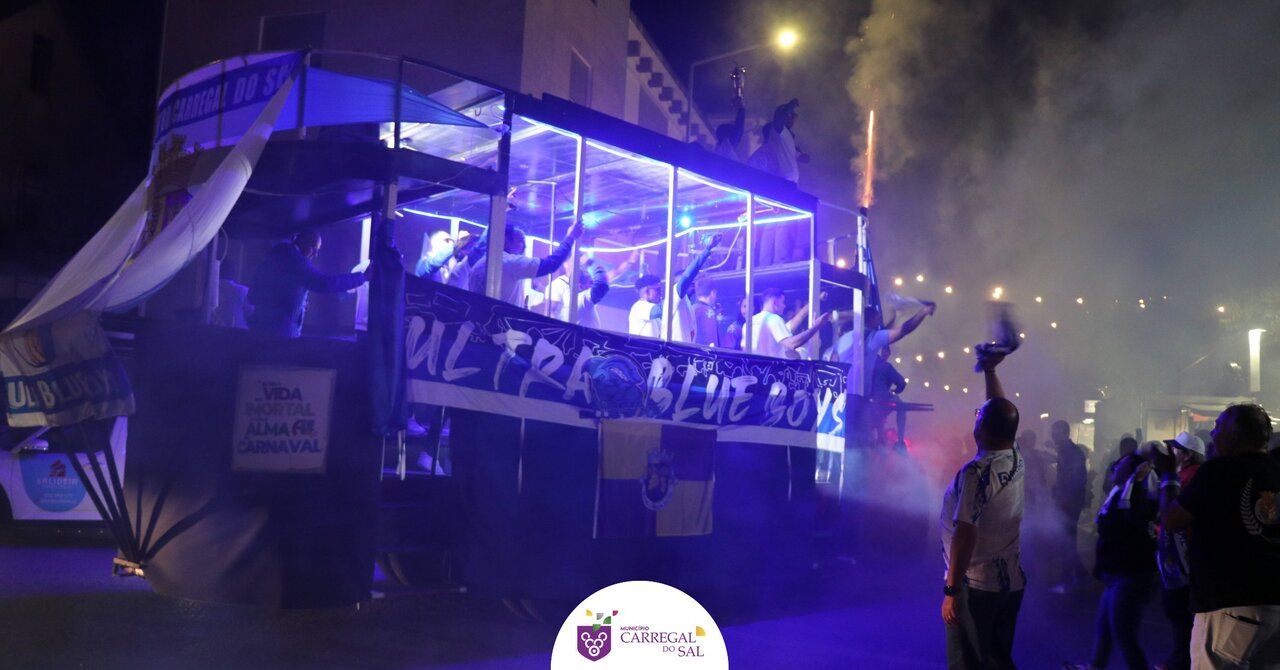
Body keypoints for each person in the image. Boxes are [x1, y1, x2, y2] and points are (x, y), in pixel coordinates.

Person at [1156, 405, 1280, 669]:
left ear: (1235, 435)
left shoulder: (1219, 471)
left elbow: (1172, 519)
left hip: (1230, 605)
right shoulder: (1276, 471)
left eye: (1218, 426)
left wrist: (1168, 477)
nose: (1213, 434)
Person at [940, 347, 1024, 669]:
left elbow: (965, 534)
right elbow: (999, 411)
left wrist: (951, 590)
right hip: (1009, 584)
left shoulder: (977, 473)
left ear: (984, 429)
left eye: (977, 416)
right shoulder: (1014, 456)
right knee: (998, 660)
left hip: (976, 587)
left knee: (969, 662)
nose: (974, 418)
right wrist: (990, 371)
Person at [1065, 449, 1160, 670]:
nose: (1115, 466)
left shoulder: (1136, 498)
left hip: (1130, 575)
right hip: (1118, 573)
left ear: (1132, 473)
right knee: (1106, 629)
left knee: (1124, 635)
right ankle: (1095, 666)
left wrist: (1135, 482)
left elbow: (1125, 522)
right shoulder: (1121, 492)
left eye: (1121, 465)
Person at [247, 229, 368, 338]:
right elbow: (323, 283)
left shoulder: (275, 257)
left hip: (261, 327)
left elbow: (254, 295)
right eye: (314, 249)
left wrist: (292, 300)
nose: (315, 254)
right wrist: (363, 277)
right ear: (302, 242)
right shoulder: (294, 260)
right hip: (279, 332)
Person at [1154, 432, 1206, 670]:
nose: (1172, 453)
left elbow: (1173, 514)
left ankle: (1181, 661)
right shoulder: (1190, 474)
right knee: (1180, 610)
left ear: (1187, 455)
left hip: (1184, 553)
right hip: (1181, 551)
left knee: (1180, 610)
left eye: (1176, 449)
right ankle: (1181, 658)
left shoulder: (1190, 477)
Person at [627, 234, 721, 340]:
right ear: (645, 292)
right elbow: (687, 277)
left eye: (660, 289)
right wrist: (707, 250)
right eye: (657, 290)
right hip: (641, 350)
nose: (660, 292)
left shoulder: (682, 304)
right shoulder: (639, 307)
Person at [469, 221, 582, 306]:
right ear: (506, 242)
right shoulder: (510, 262)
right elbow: (550, 264)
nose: (525, 247)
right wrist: (570, 237)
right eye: (521, 242)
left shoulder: (480, 264)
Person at [1050, 419, 1091, 594]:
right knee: (1066, 539)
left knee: (1066, 539)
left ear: (1065, 433)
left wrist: (1065, 497)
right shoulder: (1066, 450)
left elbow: (1078, 479)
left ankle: (1067, 580)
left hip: (1069, 502)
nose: (1053, 436)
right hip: (1067, 501)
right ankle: (1079, 573)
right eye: (1053, 432)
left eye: (1056, 432)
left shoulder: (1072, 452)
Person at [750, 287, 829, 359]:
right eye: (783, 302)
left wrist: (818, 299)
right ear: (775, 302)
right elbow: (791, 344)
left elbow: (800, 315)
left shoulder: (750, 322)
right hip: (774, 368)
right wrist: (816, 327)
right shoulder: (773, 319)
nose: (784, 306)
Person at [548, 260, 610, 330]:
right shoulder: (580, 300)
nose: (593, 285)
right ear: (580, 286)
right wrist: (596, 265)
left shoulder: (570, 297)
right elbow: (601, 285)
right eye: (591, 282)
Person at [868, 345, 908, 447]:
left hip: (865, 399)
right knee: (901, 406)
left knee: (878, 418)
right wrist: (895, 391)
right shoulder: (886, 366)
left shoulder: (865, 363)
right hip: (882, 398)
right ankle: (900, 441)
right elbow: (901, 383)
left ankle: (878, 440)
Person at [213, 257, 252, 329]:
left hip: (212, 330)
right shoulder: (243, 290)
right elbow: (250, 311)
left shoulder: (210, 290)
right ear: (234, 272)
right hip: (239, 331)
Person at [713, 95, 746, 160]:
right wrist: (742, 109)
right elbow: (738, 129)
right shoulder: (726, 150)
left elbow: (738, 129)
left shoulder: (720, 150)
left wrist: (742, 109)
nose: (737, 136)